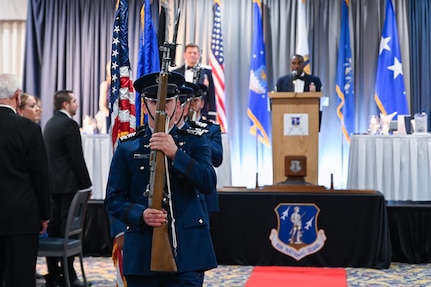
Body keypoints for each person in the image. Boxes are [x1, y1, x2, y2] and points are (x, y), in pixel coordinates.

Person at [104, 71, 217, 287]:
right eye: (155, 101)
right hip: (143, 250)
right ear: (144, 105)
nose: (162, 107)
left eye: (168, 100)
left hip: (187, 251)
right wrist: (140, 214)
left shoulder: (195, 141)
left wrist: (176, 154)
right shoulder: (129, 146)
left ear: (179, 104)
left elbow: (208, 182)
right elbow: (113, 199)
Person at [0, 73, 50, 287]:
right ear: (17, 96)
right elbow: (40, 175)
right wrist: (45, 214)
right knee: (20, 277)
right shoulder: (29, 129)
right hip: (23, 216)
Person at [43, 90, 92, 287]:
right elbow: (76, 158)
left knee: (54, 230)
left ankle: (54, 274)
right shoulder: (70, 125)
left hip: (52, 186)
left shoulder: (49, 124)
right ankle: (68, 274)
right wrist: (87, 184)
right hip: (68, 186)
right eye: (74, 101)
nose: (77, 104)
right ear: (65, 105)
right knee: (66, 231)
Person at [187, 83, 223, 216]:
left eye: (195, 101)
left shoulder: (211, 129)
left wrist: (202, 134)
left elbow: (217, 159)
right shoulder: (178, 128)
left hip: (204, 194)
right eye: (188, 101)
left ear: (202, 103)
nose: (191, 105)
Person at [173, 43, 217, 120]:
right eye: (189, 53)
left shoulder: (206, 72)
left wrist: (211, 115)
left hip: (200, 113)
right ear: (184, 55)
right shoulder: (176, 72)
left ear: (199, 55)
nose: (192, 55)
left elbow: (211, 94)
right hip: (180, 113)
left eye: (195, 53)